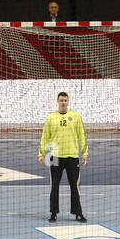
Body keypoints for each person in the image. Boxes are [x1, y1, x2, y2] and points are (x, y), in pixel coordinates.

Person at [39, 91, 87, 222]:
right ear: (57, 101)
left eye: (65, 100)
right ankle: (53, 213)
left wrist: (84, 153)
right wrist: (41, 153)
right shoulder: (51, 117)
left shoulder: (75, 116)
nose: (63, 102)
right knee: (54, 186)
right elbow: (45, 136)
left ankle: (78, 213)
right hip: (55, 156)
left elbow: (81, 135)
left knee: (74, 186)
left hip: (72, 156)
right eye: (61, 100)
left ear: (68, 101)